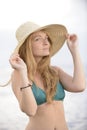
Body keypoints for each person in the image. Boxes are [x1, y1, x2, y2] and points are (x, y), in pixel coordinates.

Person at [8, 21, 86, 130]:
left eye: (46, 38)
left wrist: (74, 50)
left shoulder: (55, 71)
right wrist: (22, 71)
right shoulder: (18, 74)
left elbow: (79, 86)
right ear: (27, 46)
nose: (46, 42)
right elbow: (30, 111)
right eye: (38, 39)